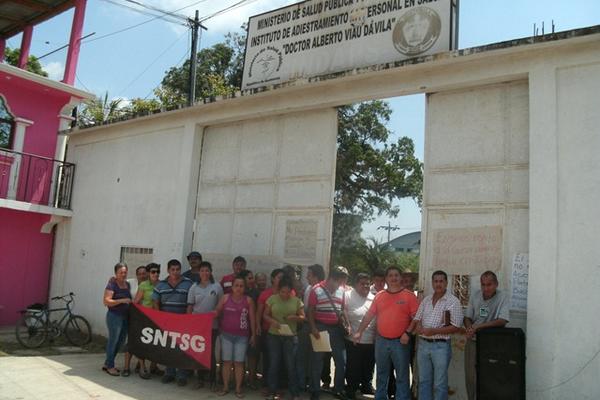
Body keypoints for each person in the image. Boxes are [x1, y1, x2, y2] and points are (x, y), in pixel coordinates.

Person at [354, 267, 419, 400]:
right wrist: (359, 331)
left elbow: (417, 318)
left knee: (402, 376)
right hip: (381, 341)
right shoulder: (379, 296)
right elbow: (369, 315)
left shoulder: (409, 296)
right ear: (386, 279)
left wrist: (408, 333)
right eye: (390, 275)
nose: (393, 278)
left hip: (400, 342)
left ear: (400, 277)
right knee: (381, 375)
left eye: (396, 275)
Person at [412, 270, 464, 400]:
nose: (438, 284)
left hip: (440, 347)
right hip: (423, 345)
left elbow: (456, 326)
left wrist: (434, 331)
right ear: (432, 283)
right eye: (436, 281)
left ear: (446, 283)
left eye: (441, 281)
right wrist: (418, 328)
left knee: (439, 384)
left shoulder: (453, 301)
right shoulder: (426, 300)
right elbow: (417, 319)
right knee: (424, 381)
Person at [463, 271, 509, 400]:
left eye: (489, 284)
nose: (486, 288)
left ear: (496, 284)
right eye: (483, 284)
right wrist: (469, 328)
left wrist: (478, 327)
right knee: (471, 377)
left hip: (492, 343)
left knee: (490, 375)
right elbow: (467, 317)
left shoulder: (503, 297)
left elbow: (502, 320)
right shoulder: (475, 295)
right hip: (473, 341)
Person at [307, 265, 349, 400]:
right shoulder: (316, 290)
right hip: (320, 328)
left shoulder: (341, 291)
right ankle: (315, 389)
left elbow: (342, 310)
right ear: (332, 278)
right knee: (317, 360)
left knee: (341, 360)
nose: (342, 284)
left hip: (336, 329)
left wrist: (346, 324)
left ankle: (338, 389)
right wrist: (313, 328)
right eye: (340, 280)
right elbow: (310, 311)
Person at [152, 259, 194, 386]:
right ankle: (169, 373)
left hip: (183, 322)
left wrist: (188, 319)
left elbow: (191, 302)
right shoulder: (160, 285)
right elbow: (155, 302)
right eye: (173, 270)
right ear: (168, 270)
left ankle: (182, 375)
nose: (175, 272)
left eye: (177, 269)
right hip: (166, 322)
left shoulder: (189, 283)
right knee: (169, 348)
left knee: (182, 349)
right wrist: (159, 319)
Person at [214, 276, 257, 398]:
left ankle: (238, 389)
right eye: (236, 285)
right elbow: (217, 311)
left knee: (239, 363)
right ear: (232, 287)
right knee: (226, 362)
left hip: (242, 337)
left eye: (241, 286)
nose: (238, 288)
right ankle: (226, 387)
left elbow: (252, 319)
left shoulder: (248, 301)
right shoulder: (225, 298)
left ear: (245, 288)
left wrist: (253, 335)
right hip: (226, 335)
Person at [264, 276, 305, 400]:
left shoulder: (296, 301)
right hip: (274, 336)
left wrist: (295, 318)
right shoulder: (272, 299)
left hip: (290, 337)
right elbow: (265, 315)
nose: (285, 294)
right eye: (282, 292)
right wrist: (272, 321)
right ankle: (272, 391)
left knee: (291, 365)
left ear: (291, 291)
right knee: (274, 364)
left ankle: (295, 393)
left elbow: (303, 317)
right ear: (278, 290)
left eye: (288, 292)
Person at [187, 261, 223, 388]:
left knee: (210, 352)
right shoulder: (194, 287)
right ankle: (200, 379)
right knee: (199, 352)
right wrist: (188, 322)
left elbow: (221, 305)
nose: (204, 273)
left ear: (210, 272)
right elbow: (190, 306)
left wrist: (216, 312)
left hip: (212, 325)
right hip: (197, 326)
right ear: (199, 272)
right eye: (202, 270)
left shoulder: (217, 287)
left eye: (207, 270)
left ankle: (213, 380)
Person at [344, 273, 376, 399]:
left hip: (371, 338)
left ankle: (366, 385)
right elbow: (343, 311)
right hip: (353, 339)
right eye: (362, 283)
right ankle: (352, 388)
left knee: (369, 365)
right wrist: (347, 326)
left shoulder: (374, 297)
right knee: (353, 366)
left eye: (367, 283)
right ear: (356, 284)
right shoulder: (348, 295)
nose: (365, 286)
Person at [257, 268, 288, 389]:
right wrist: (258, 326)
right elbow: (259, 312)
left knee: (282, 359)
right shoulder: (265, 294)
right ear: (272, 279)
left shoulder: (289, 293)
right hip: (268, 331)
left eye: (282, 278)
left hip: (285, 332)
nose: (281, 280)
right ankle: (266, 384)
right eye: (279, 277)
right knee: (268, 359)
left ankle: (280, 385)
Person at [297, 264, 325, 393]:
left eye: (309, 274)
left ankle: (313, 386)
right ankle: (304, 384)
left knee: (317, 359)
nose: (307, 276)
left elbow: (310, 310)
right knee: (303, 356)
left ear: (315, 276)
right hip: (309, 326)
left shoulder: (321, 290)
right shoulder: (308, 288)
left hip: (317, 327)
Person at [131, 262, 161, 379]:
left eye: (157, 271)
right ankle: (142, 367)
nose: (156, 274)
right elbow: (136, 302)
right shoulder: (143, 285)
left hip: (158, 319)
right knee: (143, 343)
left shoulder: (162, 284)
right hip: (145, 318)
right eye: (153, 272)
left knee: (157, 344)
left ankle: (154, 366)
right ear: (148, 273)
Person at [102, 262, 132, 376]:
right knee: (113, 341)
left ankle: (107, 363)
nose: (123, 274)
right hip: (114, 316)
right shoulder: (112, 285)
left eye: (125, 272)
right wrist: (122, 300)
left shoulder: (127, 284)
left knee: (120, 342)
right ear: (116, 273)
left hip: (125, 317)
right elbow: (106, 301)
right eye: (121, 272)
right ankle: (110, 366)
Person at [121, 265, 149, 377]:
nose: (142, 275)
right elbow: (119, 281)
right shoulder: (130, 283)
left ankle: (141, 366)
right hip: (132, 316)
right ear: (136, 275)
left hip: (145, 317)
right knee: (131, 341)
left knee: (142, 341)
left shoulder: (150, 285)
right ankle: (126, 367)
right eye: (140, 273)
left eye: (144, 273)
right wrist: (112, 279)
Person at [238, 269, 261, 389]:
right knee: (239, 356)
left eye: (252, 278)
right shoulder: (237, 292)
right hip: (239, 328)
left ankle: (251, 380)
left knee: (252, 356)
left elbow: (258, 312)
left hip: (252, 329)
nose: (252, 281)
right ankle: (239, 380)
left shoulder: (256, 293)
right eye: (250, 278)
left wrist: (256, 327)